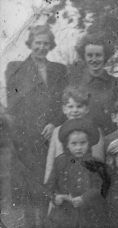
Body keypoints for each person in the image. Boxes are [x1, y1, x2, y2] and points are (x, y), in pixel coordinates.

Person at [5, 24, 68, 227]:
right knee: (29, 189)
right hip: (26, 138)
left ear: (51, 46)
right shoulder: (15, 68)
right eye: (37, 43)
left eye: (45, 43)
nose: (41, 47)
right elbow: (14, 105)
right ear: (30, 44)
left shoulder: (59, 70)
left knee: (50, 181)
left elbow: (65, 102)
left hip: (52, 135)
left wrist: (54, 124)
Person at [45, 118, 107, 228]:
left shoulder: (94, 163)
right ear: (67, 144)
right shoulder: (61, 161)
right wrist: (55, 197)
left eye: (83, 143)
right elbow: (50, 185)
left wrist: (84, 198)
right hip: (64, 213)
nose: (78, 147)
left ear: (89, 143)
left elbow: (99, 187)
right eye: (74, 143)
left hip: (87, 213)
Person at [44, 85, 105, 184]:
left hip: (87, 182)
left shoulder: (94, 130)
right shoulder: (57, 132)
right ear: (64, 109)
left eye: (79, 106)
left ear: (87, 108)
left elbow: (99, 162)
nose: (75, 110)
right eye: (70, 106)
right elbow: (50, 163)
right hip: (63, 183)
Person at [70, 32, 118, 135]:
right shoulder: (76, 84)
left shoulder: (117, 83)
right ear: (84, 57)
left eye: (98, 55)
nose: (94, 60)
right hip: (84, 140)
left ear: (105, 56)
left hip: (111, 138)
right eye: (90, 55)